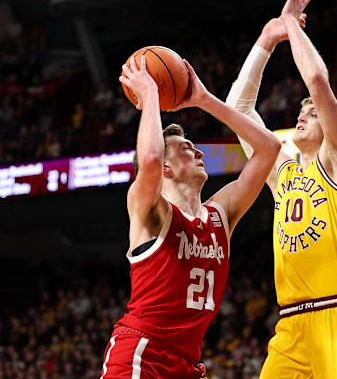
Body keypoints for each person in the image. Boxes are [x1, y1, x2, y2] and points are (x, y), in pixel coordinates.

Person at [99, 53, 280, 378]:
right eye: (185, 147)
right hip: (142, 353)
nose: (198, 151)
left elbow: (268, 147)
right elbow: (150, 159)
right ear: (167, 167)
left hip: (188, 364)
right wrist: (150, 93)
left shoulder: (220, 214)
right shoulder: (150, 208)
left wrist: (203, 99)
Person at [226, 0, 337, 378]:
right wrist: (265, 42)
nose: (302, 116)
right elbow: (237, 108)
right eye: (302, 112)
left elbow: (318, 83)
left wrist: (292, 26)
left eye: (312, 115)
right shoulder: (283, 170)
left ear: (335, 126)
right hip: (290, 324)